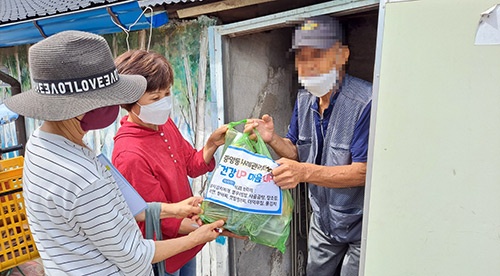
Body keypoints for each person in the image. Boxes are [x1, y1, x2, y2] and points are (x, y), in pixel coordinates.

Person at [4, 30, 224, 276]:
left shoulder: (40, 145)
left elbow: (121, 209)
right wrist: (198, 236)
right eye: (111, 99)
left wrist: (173, 209)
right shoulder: (84, 178)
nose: (118, 106)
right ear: (79, 106)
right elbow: (136, 256)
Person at [246, 16, 372, 276]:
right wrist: (273, 139)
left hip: (363, 224)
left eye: (318, 55)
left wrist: (303, 173)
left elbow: (363, 172)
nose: (308, 65)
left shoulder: (365, 102)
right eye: (302, 58)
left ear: (342, 55)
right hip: (323, 222)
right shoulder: (305, 100)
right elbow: (296, 151)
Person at [111, 50, 228, 276]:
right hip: (163, 254)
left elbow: (191, 164)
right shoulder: (129, 154)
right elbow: (157, 218)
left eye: (167, 93)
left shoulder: (162, 124)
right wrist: (208, 226)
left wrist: (212, 144)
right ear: (130, 102)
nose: (164, 103)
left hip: (188, 241)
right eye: (155, 98)